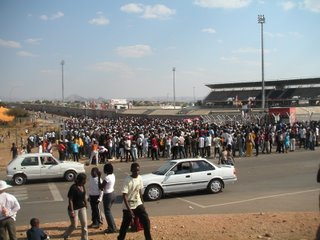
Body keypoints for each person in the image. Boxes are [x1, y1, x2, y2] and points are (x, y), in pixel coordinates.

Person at [117, 162, 152, 240]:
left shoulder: (139, 178)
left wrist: (143, 204)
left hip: (138, 203)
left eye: (138, 171)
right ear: (131, 170)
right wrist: (130, 210)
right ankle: (120, 238)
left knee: (146, 221)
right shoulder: (127, 180)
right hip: (128, 206)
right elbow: (124, 196)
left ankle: (148, 238)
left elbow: (139, 191)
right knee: (125, 225)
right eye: (135, 171)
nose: (136, 172)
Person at [62, 173, 88, 240]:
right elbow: (70, 200)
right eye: (85, 180)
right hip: (74, 209)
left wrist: (85, 203)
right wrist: (72, 211)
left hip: (82, 207)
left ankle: (84, 238)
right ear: (81, 180)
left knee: (84, 224)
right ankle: (66, 235)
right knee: (74, 225)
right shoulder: (73, 187)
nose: (86, 181)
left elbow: (84, 195)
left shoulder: (83, 186)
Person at [98, 163, 117, 234]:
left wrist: (99, 176)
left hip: (108, 195)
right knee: (109, 211)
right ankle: (113, 226)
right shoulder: (113, 175)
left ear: (106, 170)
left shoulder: (107, 178)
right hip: (113, 194)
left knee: (107, 212)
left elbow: (100, 187)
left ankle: (112, 228)